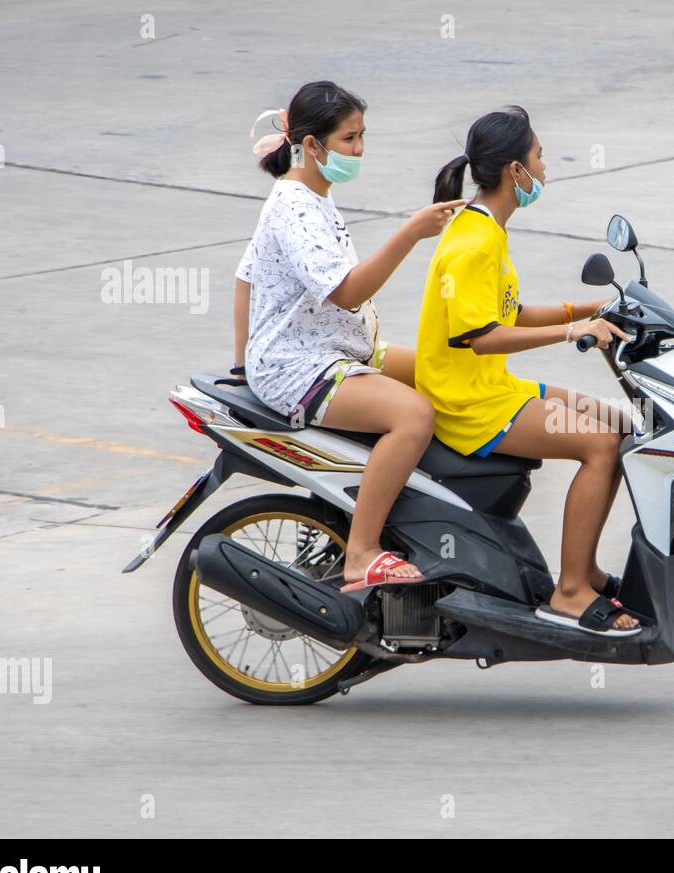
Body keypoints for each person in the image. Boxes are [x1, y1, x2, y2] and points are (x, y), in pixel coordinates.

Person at [415, 106, 641, 637]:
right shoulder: (473, 243)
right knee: (600, 445)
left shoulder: (486, 229)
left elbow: (508, 314)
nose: (545, 167)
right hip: (469, 403)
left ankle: (583, 570)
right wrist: (569, 333)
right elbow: (481, 337)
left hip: (492, 386)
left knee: (622, 424)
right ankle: (570, 593)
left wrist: (587, 310)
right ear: (515, 171)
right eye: (539, 157)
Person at [233, 80, 465, 591]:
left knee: (443, 367)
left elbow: (246, 276)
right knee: (414, 415)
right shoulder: (295, 207)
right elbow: (345, 291)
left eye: (362, 137)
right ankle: (362, 552)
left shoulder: (311, 196)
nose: (359, 150)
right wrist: (409, 234)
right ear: (312, 146)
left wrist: (240, 365)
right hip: (302, 365)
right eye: (348, 139)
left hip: (332, 350)